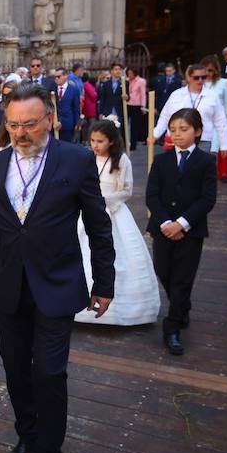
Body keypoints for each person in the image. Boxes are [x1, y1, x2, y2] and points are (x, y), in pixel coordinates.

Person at [0, 84, 114, 453]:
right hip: (9, 287)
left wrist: (105, 284)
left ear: (50, 120)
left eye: (30, 124)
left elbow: (99, 227)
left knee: (49, 374)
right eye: (13, 124)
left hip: (58, 287)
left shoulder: (77, 160)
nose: (21, 133)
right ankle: (26, 438)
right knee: (15, 370)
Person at [146, 109, 217, 356]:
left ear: (197, 131)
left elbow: (207, 199)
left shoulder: (206, 162)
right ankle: (182, 306)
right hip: (163, 228)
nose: (177, 135)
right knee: (163, 270)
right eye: (173, 129)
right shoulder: (161, 160)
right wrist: (166, 223)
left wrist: (183, 223)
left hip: (191, 231)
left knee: (182, 278)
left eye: (183, 129)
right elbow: (152, 195)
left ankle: (172, 327)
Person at [76, 120, 159, 326]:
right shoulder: (87, 159)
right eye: (93, 141)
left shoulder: (121, 160)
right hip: (87, 211)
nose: (95, 145)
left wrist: (104, 202)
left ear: (111, 142)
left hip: (112, 211)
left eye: (100, 141)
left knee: (118, 255)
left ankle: (121, 308)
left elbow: (126, 191)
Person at [150, 64, 227, 156]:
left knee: (201, 168)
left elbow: (221, 121)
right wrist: (154, 135)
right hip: (178, 139)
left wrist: (225, 145)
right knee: (177, 169)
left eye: (203, 77)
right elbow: (165, 117)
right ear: (189, 77)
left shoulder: (212, 96)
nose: (200, 80)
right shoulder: (176, 95)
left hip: (203, 140)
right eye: (196, 77)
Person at [54, 68, 81, 143]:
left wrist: (77, 124)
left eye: (58, 77)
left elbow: (76, 108)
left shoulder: (73, 90)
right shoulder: (52, 89)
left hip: (68, 125)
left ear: (65, 76)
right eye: (55, 77)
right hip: (55, 125)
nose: (56, 79)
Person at [125, 67, 146, 150]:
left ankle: (133, 144)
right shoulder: (126, 80)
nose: (130, 75)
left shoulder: (141, 81)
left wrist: (143, 106)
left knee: (135, 125)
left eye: (131, 73)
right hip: (127, 103)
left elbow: (143, 94)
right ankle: (125, 142)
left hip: (136, 105)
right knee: (125, 124)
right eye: (128, 73)